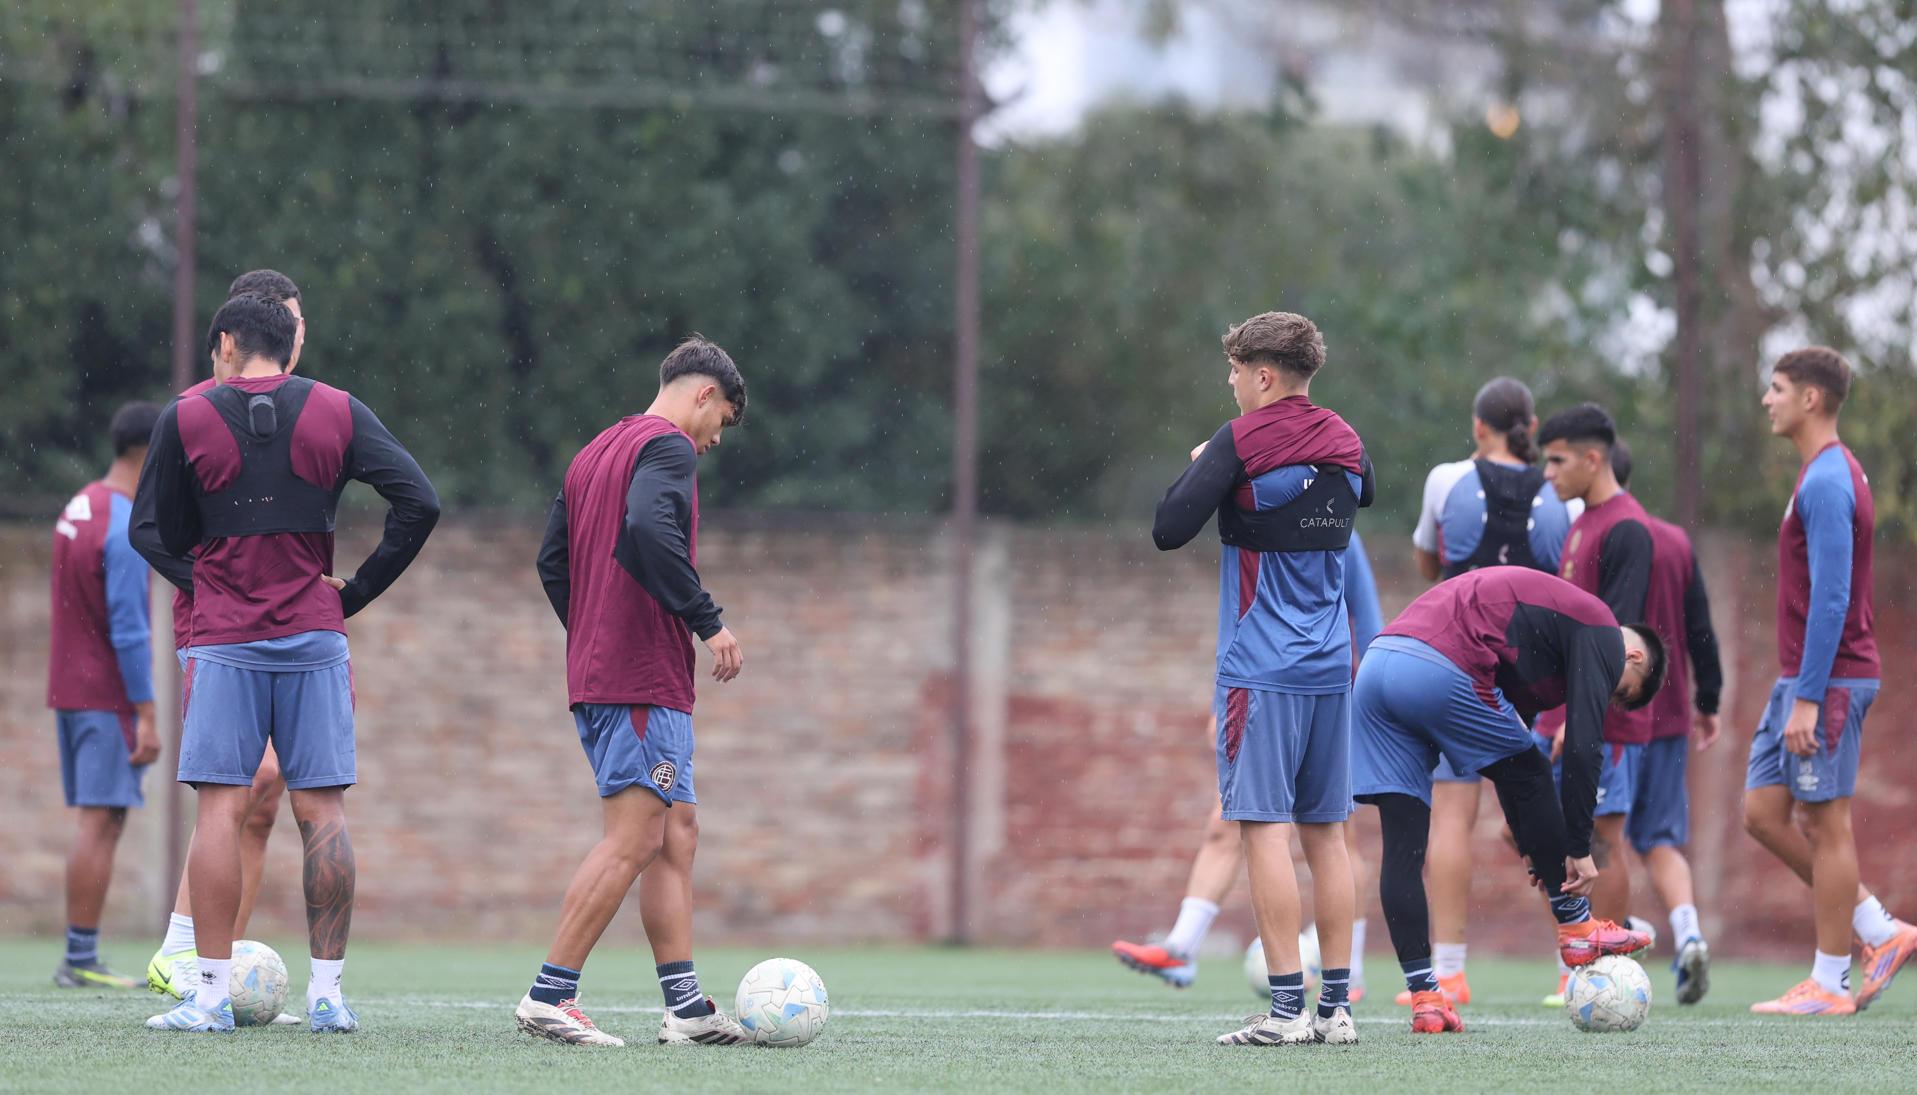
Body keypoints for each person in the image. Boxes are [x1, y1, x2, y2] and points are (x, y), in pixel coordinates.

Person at [134, 293, 439, 1032]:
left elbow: (152, 529)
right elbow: (419, 502)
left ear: (226, 343)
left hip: (224, 639)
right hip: (314, 636)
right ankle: (327, 996)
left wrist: (207, 578)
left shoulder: (186, 416)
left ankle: (210, 998)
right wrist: (355, 592)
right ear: (289, 343)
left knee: (219, 808)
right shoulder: (337, 408)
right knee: (323, 811)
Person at [517, 336, 749, 1047]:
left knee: (676, 832)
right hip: (641, 676)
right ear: (704, 394)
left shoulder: (593, 452)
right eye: (723, 420)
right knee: (637, 836)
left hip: (607, 673)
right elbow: (649, 527)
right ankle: (549, 994)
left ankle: (686, 1007)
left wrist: (594, 632)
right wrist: (707, 621)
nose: (715, 440)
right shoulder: (669, 446)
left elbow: (551, 562)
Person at [1152, 311, 1374, 1047]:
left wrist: (1207, 466)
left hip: (1261, 666)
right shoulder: (1346, 439)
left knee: (1262, 829)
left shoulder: (1238, 441)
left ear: (1265, 375)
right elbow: (1358, 492)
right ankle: (1335, 1010)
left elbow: (1168, 527)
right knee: (1328, 835)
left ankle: (1284, 1012)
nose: (1231, 384)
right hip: (1331, 667)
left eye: (1236, 371)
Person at [1351, 566, 1665, 1035]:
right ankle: (1577, 927)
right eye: (1619, 690)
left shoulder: (1542, 656)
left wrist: (1533, 843)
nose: (1606, 695)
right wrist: (1577, 848)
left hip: (1378, 669)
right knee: (1535, 770)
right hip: (1436, 664)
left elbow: (1508, 764)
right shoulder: (1601, 628)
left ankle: (1426, 999)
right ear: (1633, 655)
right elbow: (1580, 748)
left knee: (1402, 848)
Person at [1112, 531, 1383, 1001]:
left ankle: (1348, 973)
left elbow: (1366, 616)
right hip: (1261, 690)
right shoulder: (1250, 521)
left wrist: (1368, 698)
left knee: (1333, 834)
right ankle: (1182, 946)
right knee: (1230, 819)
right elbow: (1238, 620)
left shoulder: (1337, 524)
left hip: (1329, 696)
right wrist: (1221, 702)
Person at [139, 270, 306, 1010]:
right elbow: (154, 527)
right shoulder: (194, 412)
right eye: (287, 322)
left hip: (287, 626)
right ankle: (181, 949)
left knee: (265, 797)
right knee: (246, 777)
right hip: (216, 626)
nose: (296, 336)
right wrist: (214, 584)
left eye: (301, 323)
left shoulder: (305, 409)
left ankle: (220, 968)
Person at [1744, 347, 1917, 1015]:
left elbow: (1832, 596)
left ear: (1810, 398)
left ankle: (1829, 983)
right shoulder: (1819, 473)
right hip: (1800, 678)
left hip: (1829, 682)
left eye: (1777, 387)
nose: (1767, 399)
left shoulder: (1827, 481)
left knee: (1825, 824)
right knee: (1762, 813)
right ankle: (1878, 927)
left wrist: (1810, 698)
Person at [1399, 377, 1576, 1007]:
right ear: (1532, 427)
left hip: (1460, 662)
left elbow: (1429, 564)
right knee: (1543, 813)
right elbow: (1565, 582)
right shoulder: (1560, 495)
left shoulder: (1446, 479)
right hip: (1531, 672)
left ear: (1479, 426)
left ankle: (1449, 972)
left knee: (1452, 815)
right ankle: (1573, 961)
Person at [1535, 402, 1665, 1000]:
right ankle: (1583, 955)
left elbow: (1618, 640)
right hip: (1566, 711)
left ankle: (1602, 972)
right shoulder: (1583, 520)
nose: (1548, 473)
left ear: (1593, 458)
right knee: (1543, 835)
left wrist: (1580, 717)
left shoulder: (1627, 528)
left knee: (1601, 841)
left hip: (1599, 717)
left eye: (1557, 460)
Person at [47, 401, 164, 989]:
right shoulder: (123, 523)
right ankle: (80, 958)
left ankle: (80, 955)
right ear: (149, 453)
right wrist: (147, 712)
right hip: (104, 695)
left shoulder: (79, 505)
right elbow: (129, 627)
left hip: (70, 687)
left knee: (99, 818)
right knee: (100, 821)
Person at [1608, 440, 1722, 1005]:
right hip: (1671, 713)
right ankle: (1689, 933)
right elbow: (1700, 626)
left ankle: (1620, 931)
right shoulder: (1676, 540)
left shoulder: (1604, 537)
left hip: (1617, 712)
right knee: (1660, 838)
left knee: (1603, 835)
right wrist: (1709, 698)